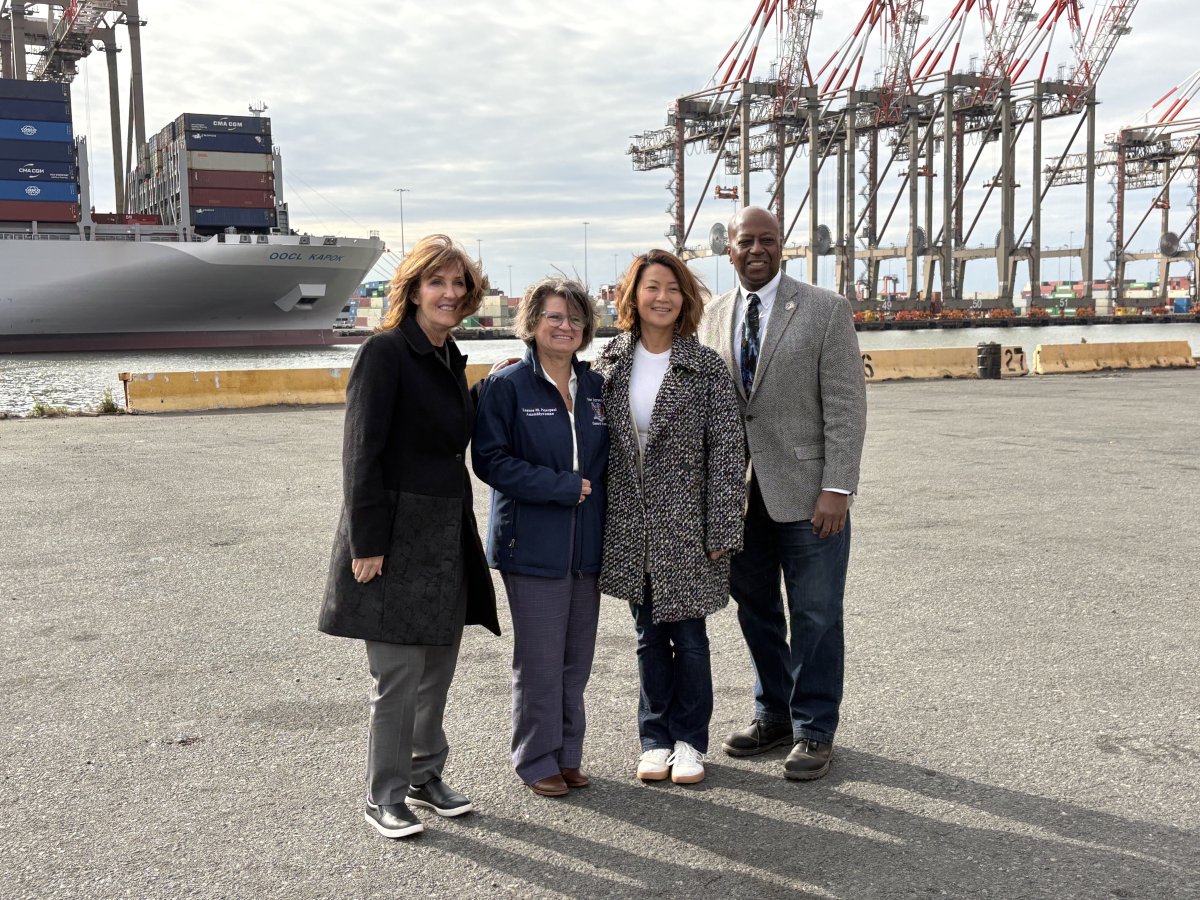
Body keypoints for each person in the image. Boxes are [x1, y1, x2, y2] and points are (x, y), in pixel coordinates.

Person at [318, 234, 501, 839]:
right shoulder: (385, 352)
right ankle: (384, 794)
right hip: (393, 534)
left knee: (438, 668)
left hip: (446, 530)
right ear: (414, 289)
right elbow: (360, 453)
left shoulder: (449, 357)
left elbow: (444, 431)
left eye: (459, 285)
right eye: (437, 283)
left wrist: (487, 388)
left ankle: (425, 774)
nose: (450, 294)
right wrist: (365, 543)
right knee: (396, 674)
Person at [698, 206, 867, 781]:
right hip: (736, 497)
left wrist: (837, 487)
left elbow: (846, 407)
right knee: (757, 611)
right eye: (746, 241)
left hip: (807, 493)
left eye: (767, 240)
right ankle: (773, 714)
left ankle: (815, 728)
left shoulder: (824, 309)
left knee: (817, 613)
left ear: (782, 247)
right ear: (729, 250)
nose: (756, 250)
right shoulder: (712, 315)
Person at [594, 249, 745, 786]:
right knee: (647, 636)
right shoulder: (609, 363)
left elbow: (728, 451)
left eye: (673, 289)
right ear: (633, 295)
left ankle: (690, 741)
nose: (662, 297)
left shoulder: (704, 366)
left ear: (686, 300)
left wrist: (724, 526)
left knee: (691, 636)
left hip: (689, 524)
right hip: (633, 526)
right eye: (651, 287)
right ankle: (653, 738)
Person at [471, 277, 609, 797]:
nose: (565, 326)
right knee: (540, 659)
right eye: (554, 317)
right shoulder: (507, 386)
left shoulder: (596, 387)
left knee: (577, 659)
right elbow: (490, 460)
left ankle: (568, 753)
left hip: (587, 545)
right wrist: (561, 487)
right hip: (530, 545)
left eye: (574, 319)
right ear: (531, 323)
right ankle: (535, 759)